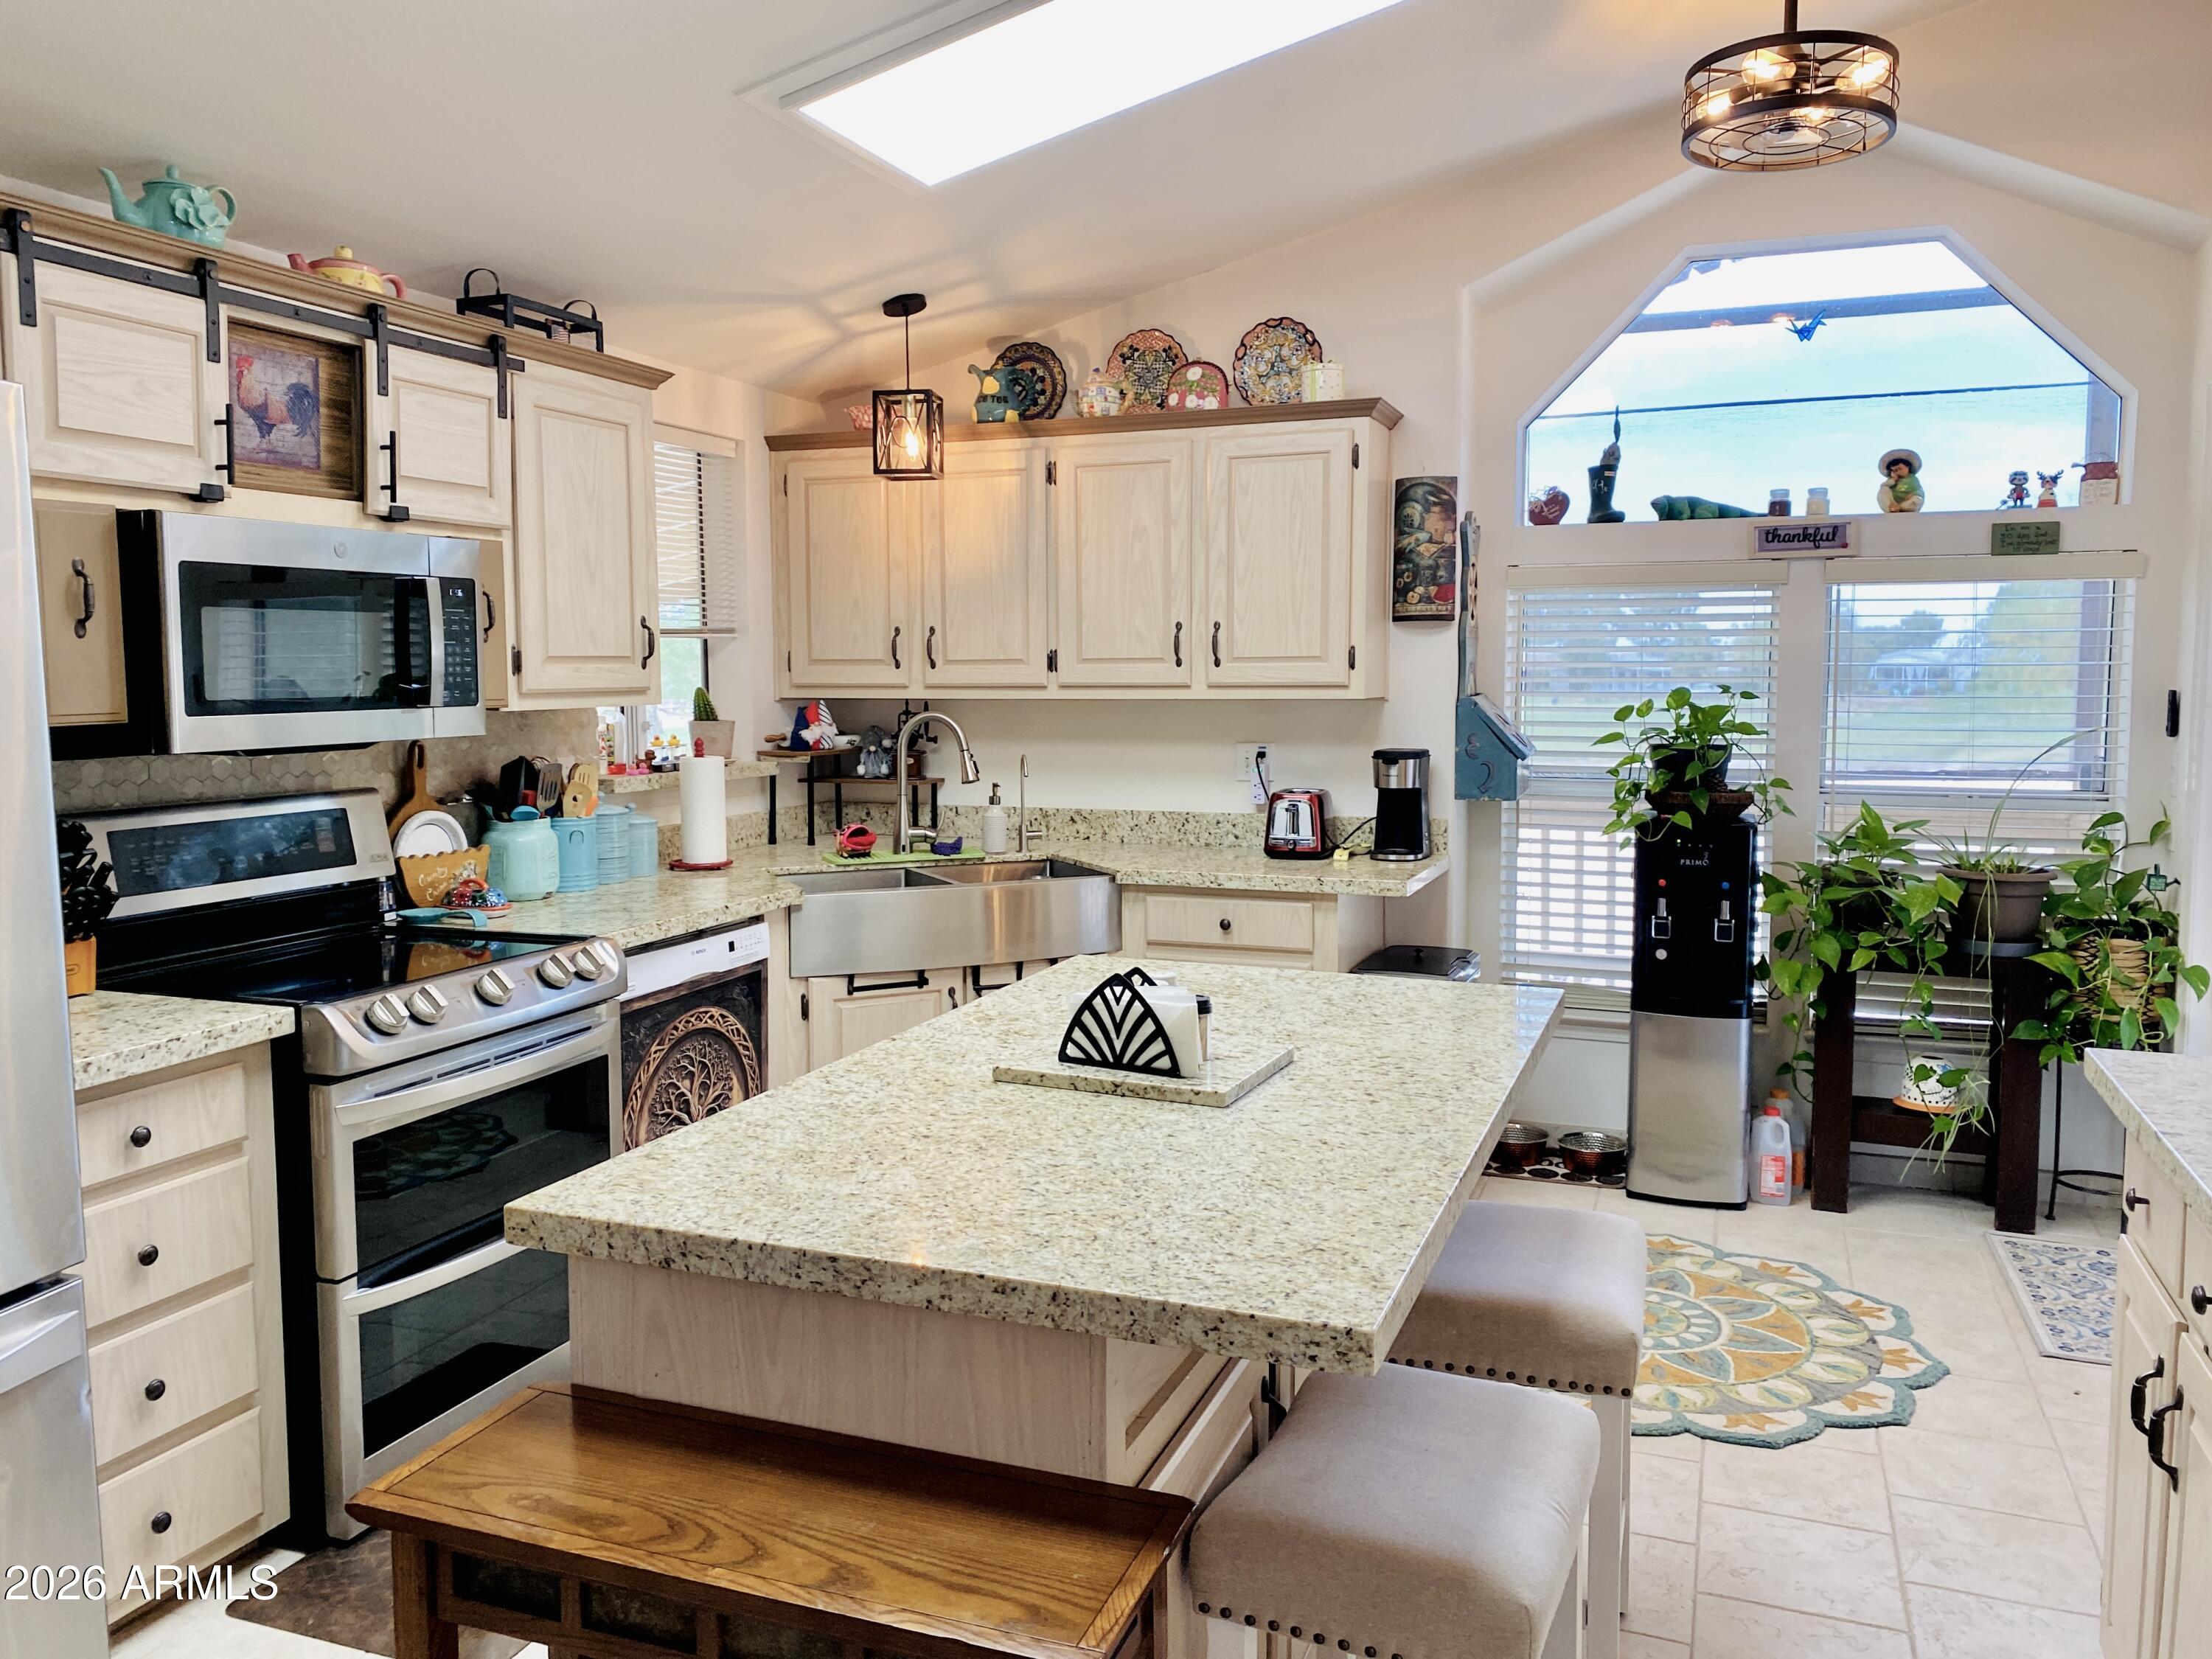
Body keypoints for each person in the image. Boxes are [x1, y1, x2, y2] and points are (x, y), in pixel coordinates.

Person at [1878, 448, 1924, 513]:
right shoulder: (1892, 481)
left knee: (1917, 500)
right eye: (1895, 470)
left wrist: (1914, 494)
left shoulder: (1913, 479)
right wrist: (1893, 480)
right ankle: (1891, 508)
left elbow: (1919, 490)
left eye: (1900, 469)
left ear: (1908, 466)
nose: (1898, 472)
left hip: (1907, 503)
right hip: (1894, 503)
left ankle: (1902, 507)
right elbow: (1883, 486)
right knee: (1883, 489)